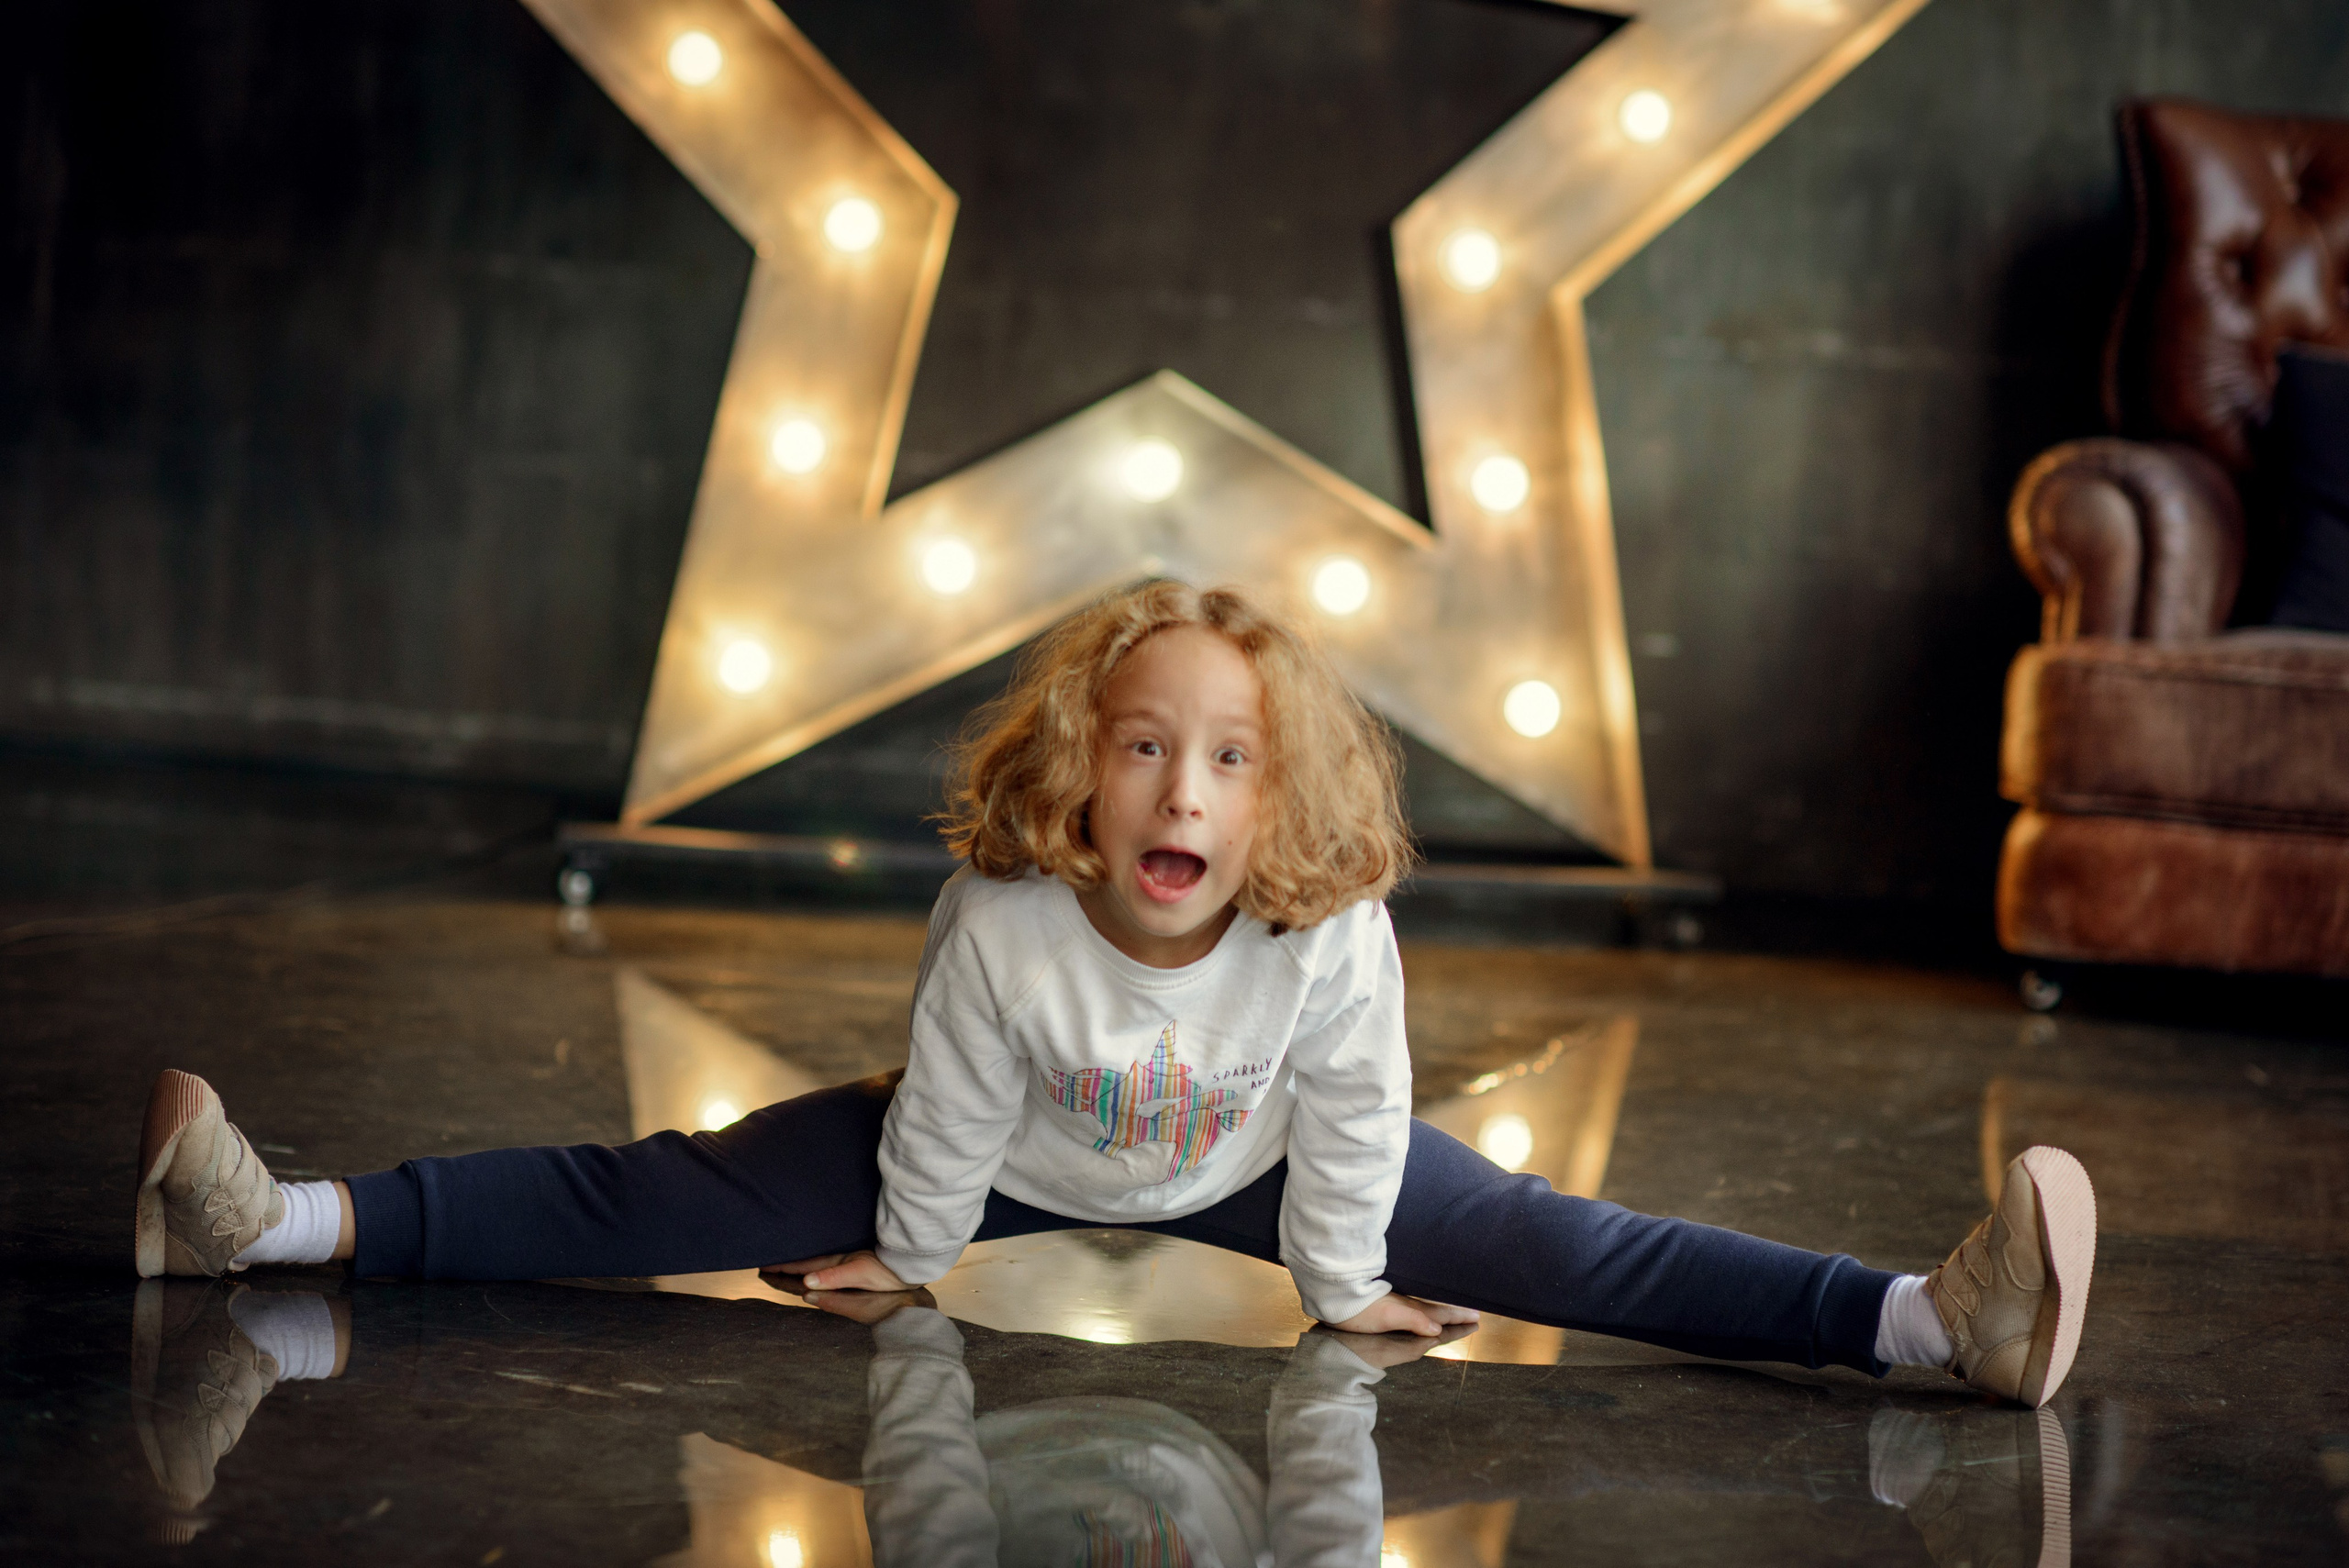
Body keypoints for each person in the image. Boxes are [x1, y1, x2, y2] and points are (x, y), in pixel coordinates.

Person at [132, 580, 2098, 1407]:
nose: (1182, 790)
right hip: (998, 1157)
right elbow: (945, 1109)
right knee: (682, 1185)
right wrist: (909, 1250)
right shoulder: (1003, 917)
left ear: (1281, 795)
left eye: (1231, 760)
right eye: (1144, 747)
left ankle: (1934, 1329)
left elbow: (1347, 1121)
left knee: (1557, 1238)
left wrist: (1339, 1282)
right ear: (1081, 765)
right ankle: (272, 1219)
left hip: (1253, 1162)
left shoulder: (1329, 935)